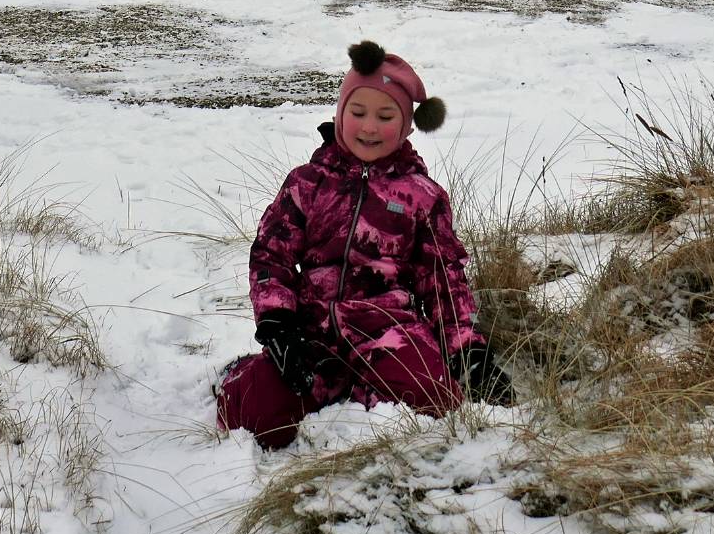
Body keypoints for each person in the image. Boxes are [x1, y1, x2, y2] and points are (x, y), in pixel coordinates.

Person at [216, 42, 514, 449]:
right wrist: (278, 327)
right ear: (340, 114)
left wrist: (466, 351)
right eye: (357, 113)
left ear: (408, 126)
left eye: (385, 116)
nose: (369, 127)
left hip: (389, 330)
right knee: (255, 416)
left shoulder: (421, 196)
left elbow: (444, 281)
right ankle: (238, 377)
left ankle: (358, 398)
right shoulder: (308, 183)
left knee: (432, 401)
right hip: (311, 333)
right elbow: (272, 254)